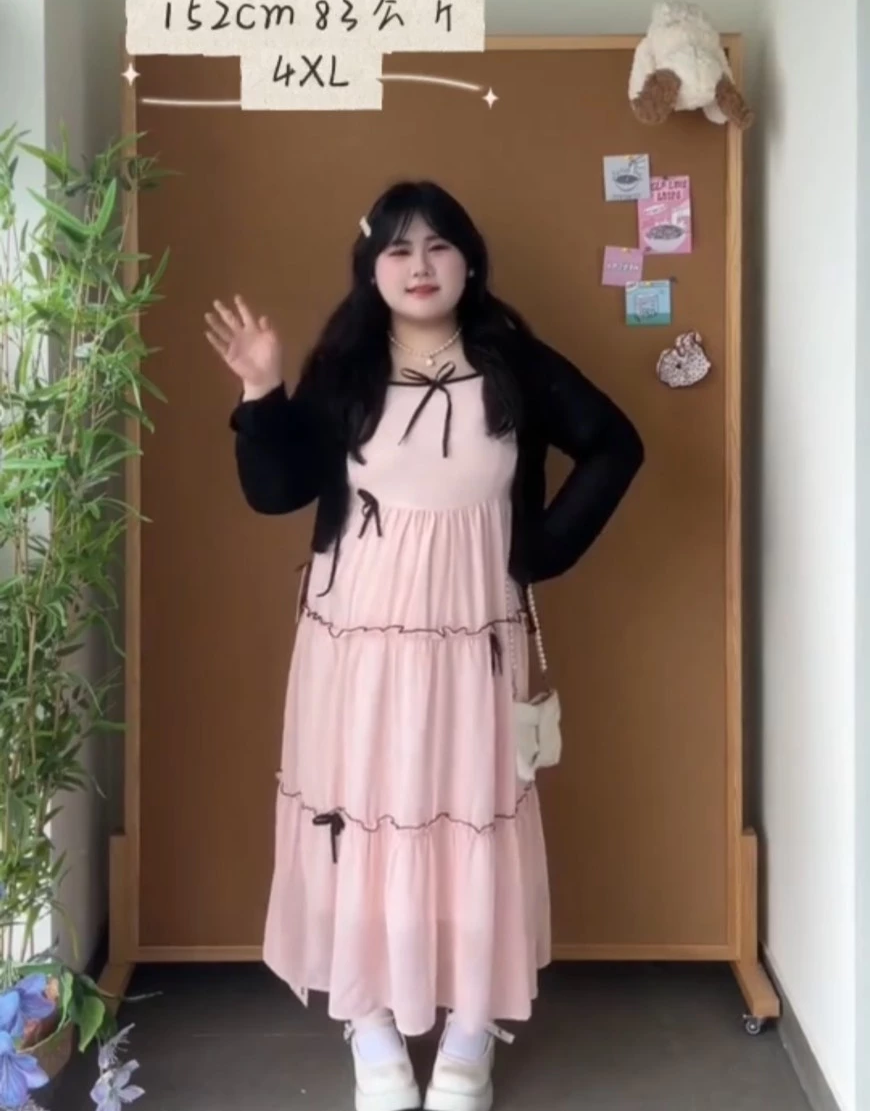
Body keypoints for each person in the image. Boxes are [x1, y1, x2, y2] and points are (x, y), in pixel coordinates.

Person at [204, 179, 644, 1111]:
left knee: (472, 813)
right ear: (371, 268)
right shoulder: (346, 367)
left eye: (439, 245)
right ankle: (369, 1025)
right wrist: (261, 389)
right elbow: (274, 491)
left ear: (469, 261)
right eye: (398, 249)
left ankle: (470, 1033)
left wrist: (542, 550)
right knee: (360, 816)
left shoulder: (512, 362)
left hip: (472, 646)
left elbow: (616, 444)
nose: (419, 265)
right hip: (354, 649)